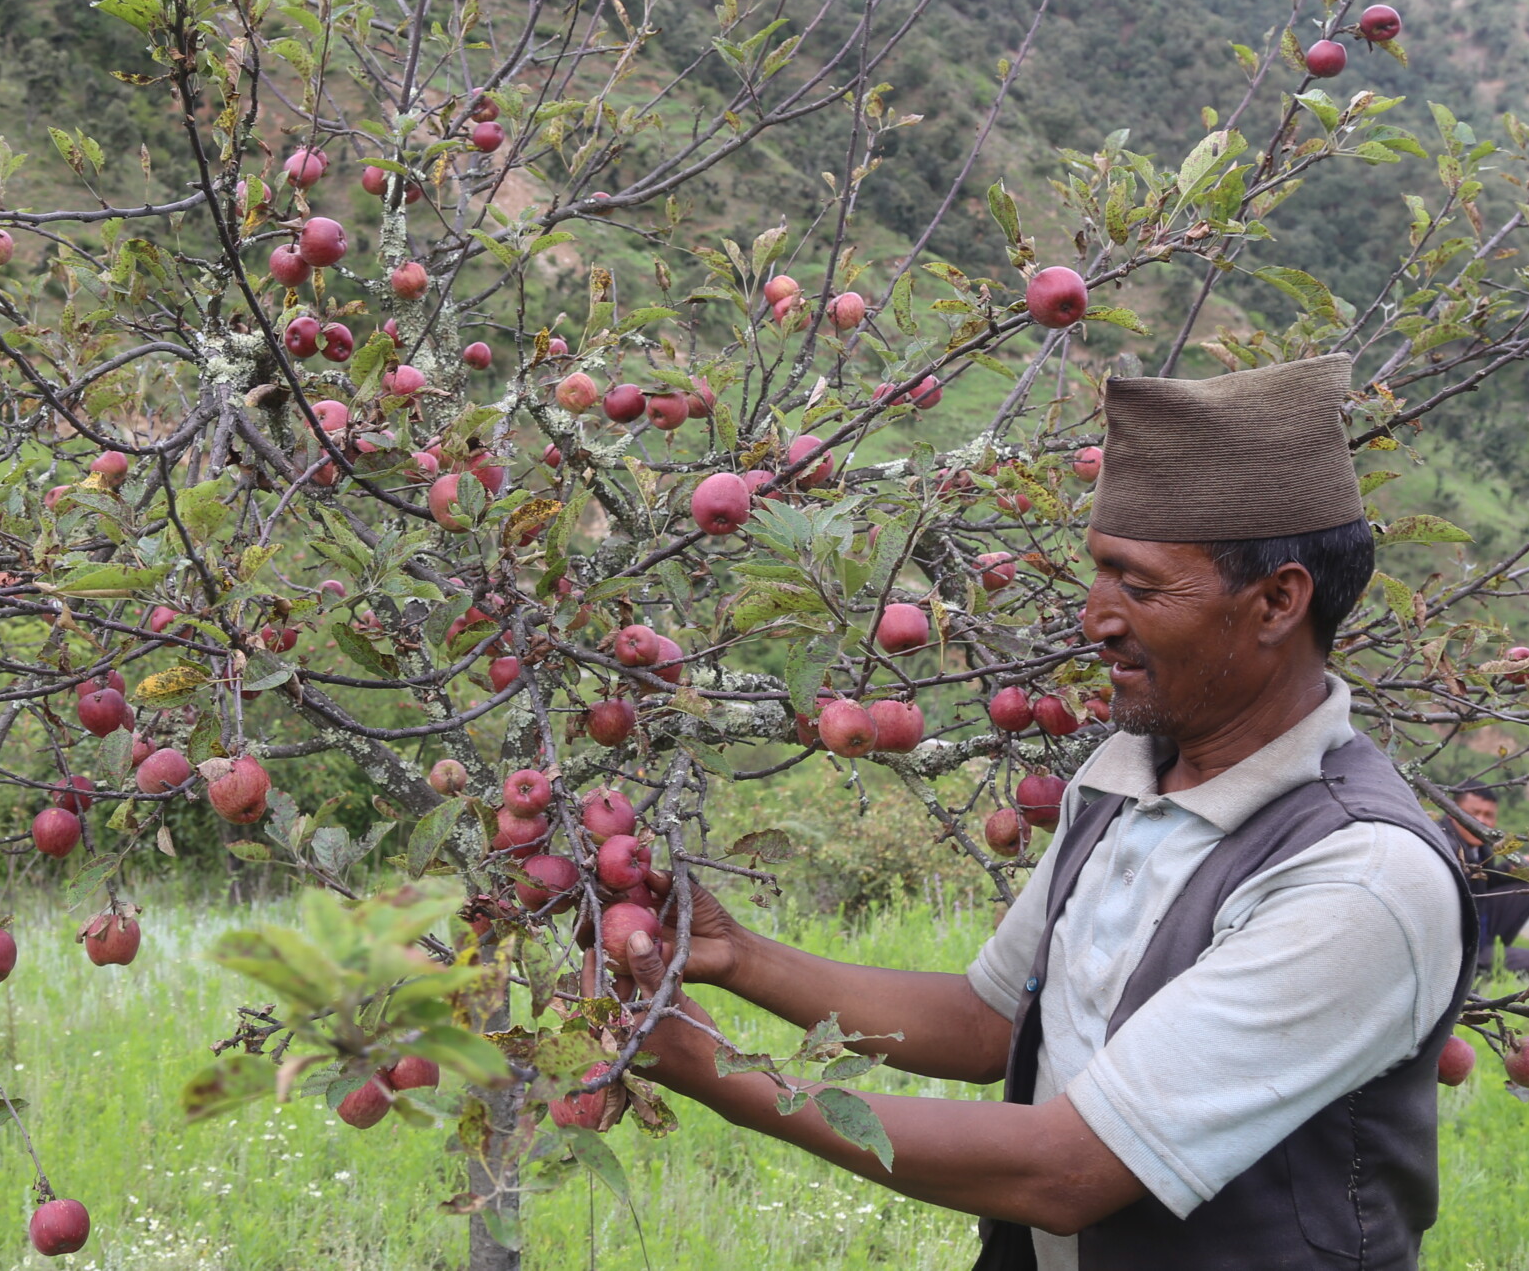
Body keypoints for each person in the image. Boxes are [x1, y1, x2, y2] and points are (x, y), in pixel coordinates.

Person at [617, 354, 1480, 1270]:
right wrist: (736, 954)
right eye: (1101, 574)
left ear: (1277, 601)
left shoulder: (1361, 878)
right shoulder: (1125, 775)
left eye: (1140, 587)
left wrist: (716, 1072)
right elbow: (993, 1024)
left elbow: (1069, 1173)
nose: (1093, 616)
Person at [1447, 784, 1529, 976]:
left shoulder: (1481, 845)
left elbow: (1482, 881)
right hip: (1456, 941)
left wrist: (1508, 870)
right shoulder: (1446, 844)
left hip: (1480, 925)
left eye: (1488, 815)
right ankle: (1479, 963)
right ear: (1452, 812)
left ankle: (1489, 952)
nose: (1480, 821)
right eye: (1473, 813)